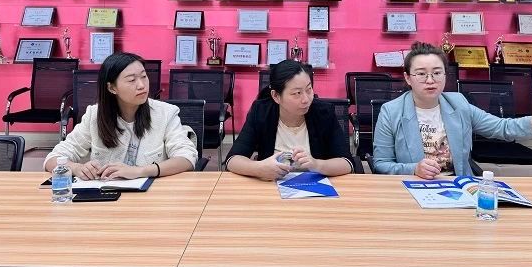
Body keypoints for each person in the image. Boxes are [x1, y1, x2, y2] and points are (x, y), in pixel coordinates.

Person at [373, 42, 532, 178]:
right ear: (408, 78)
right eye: (421, 74)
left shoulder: (458, 104)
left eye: (437, 73)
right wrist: (413, 169)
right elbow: (381, 164)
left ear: (445, 75)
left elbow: (501, 127)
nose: (430, 80)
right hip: (413, 185)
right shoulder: (391, 112)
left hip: (458, 185)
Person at [44, 52, 197, 179]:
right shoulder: (94, 115)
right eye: (132, 80)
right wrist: (77, 168)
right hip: (105, 198)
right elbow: (53, 159)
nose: (142, 85)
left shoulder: (166, 113)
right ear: (112, 88)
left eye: (144, 76)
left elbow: (186, 158)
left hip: (150, 197)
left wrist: (141, 171)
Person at [226, 60, 354, 180]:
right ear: (276, 96)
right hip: (271, 186)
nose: (306, 99)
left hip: (314, 187)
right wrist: (259, 168)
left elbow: (347, 163)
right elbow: (233, 160)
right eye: (297, 93)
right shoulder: (261, 112)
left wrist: (316, 164)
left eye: (308, 89)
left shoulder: (324, 113)